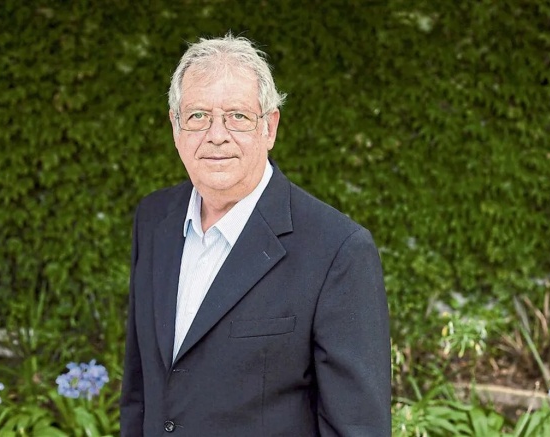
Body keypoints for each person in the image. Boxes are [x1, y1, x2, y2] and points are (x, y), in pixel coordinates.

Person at [120, 33, 391, 436]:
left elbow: (357, 427)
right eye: (198, 116)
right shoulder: (153, 220)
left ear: (269, 127)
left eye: (237, 116)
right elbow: (140, 391)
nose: (216, 134)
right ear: (175, 127)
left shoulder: (337, 250)